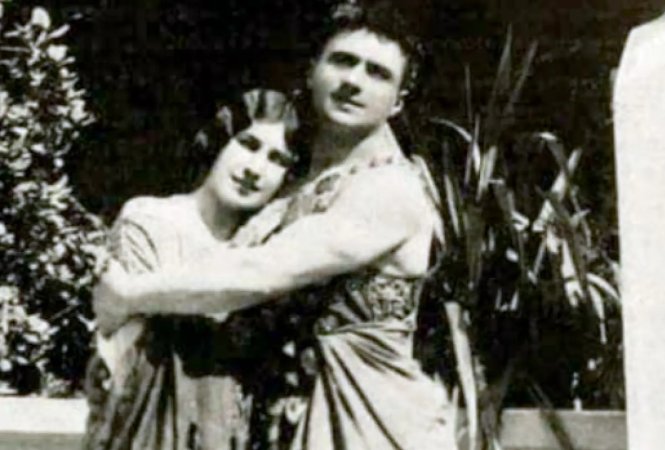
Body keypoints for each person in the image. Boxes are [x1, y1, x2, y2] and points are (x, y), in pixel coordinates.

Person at [94, 3, 467, 449]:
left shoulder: (389, 189)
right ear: (312, 71)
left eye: (378, 73)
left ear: (399, 101)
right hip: (281, 417)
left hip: (367, 420)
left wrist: (129, 294)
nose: (354, 81)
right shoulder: (296, 184)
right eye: (342, 61)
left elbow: (260, 274)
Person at [83, 89, 299, 450]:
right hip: (145, 425)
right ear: (219, 142)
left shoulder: (269, 245)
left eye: (277, 159)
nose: (255, 169)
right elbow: (129, 339)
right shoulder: (149, 219)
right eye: (248, 144)